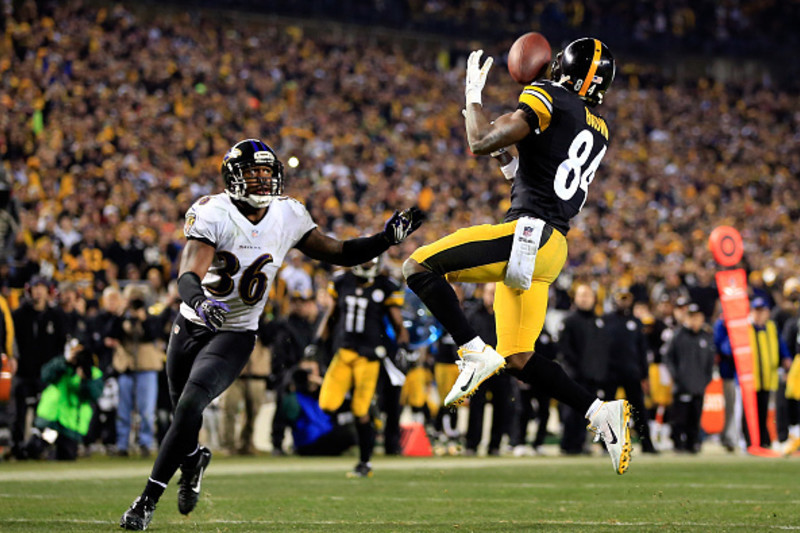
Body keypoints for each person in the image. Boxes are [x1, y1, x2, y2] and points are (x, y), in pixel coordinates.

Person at [120, 139, 424, 530]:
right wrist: (200, 304)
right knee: (184, 417)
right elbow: (188, 275)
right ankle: (193, 460)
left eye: (267, 172)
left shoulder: (288, 214)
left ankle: (146, 501)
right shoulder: (214, 212)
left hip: (235, 331)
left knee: (190, 405)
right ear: (234, 177)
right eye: (253, 173)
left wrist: (385, 239)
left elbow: (340, 252)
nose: (263, 180)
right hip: (192, 324)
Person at [402, 38, 633, 474]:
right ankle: (599, 411)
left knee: (417, 265)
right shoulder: (598, 127)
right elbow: (525, 170)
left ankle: (472, 350)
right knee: (518, 358)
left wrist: (472, 97)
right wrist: (508, 157)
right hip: (553, 249)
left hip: (527, 233)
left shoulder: (549, 97)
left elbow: (480, 140)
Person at [310, 255, 409, 477]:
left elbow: (398, 322)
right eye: (366, 261)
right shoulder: (341, 281)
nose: (369, 266)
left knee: (360, 410)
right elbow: (331, 315)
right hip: (344, 352)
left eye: (372, 262)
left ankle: (365, 462)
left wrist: (403, 346)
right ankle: (369, 414)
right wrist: (316, 343)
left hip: (370, 356)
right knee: (327, 403)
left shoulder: (385, 286)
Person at [26, 337, 103, 460]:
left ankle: (51, 452)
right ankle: (41, 448)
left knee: (67, 455)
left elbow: (93, 395)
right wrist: (65, 362)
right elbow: (45, 375)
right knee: (36, 446)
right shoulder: (61, 364)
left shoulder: (93, 373)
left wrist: (85, 378)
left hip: (70, 425)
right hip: (51, 420)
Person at [557, 283, 610, 455]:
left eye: (588, 295)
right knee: (571, 412)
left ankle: (580, 444)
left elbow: (602, 350)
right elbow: (565, 349)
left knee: (588, 414)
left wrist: (599, 372)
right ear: (575, 298)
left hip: (593, 377)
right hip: (575, 376)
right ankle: (568, 445)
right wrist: (576, 369)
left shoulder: (598, 321)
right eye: (581, 295)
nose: (585, 299)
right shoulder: (569, 321)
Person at [663, 303, 715, 453]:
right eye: (692, 317)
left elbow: (710, 362)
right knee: (680, 417)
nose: (695, 320)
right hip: (682, 385)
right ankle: (678, 443)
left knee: (695, 416)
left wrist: (706, 379)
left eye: (698, 317)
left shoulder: (706, 337)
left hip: (699, 385)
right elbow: (668, 357)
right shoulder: (678, 336)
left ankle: (693, 443)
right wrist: (676, 376)